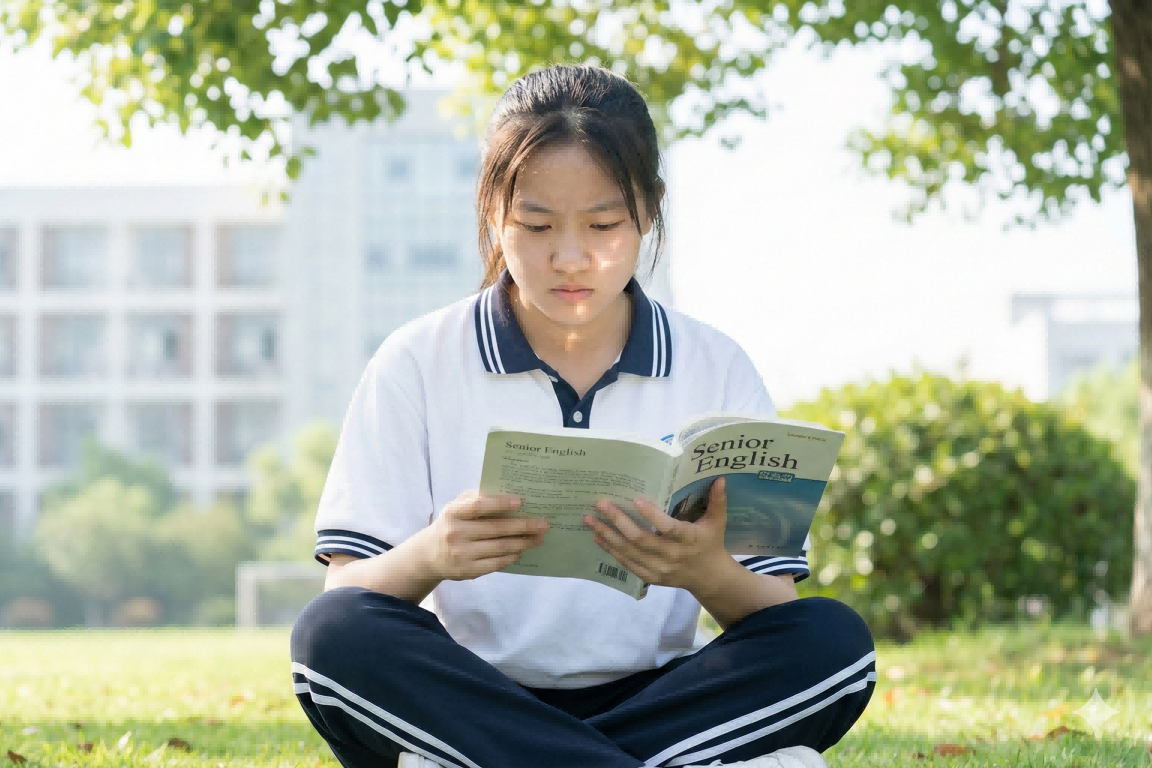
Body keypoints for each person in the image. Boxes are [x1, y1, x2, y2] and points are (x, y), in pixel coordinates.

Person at [291, 64, 875, 768]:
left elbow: (772, 606)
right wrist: (432, 555)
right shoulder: (415, 361)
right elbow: (347, 589)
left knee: (834, 644)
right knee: (332, 637)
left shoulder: (717, 366)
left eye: (603, 225)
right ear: (491, 212)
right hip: (470, 693)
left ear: (650, 211)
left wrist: (701, 570)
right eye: (535, 225)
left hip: (659, 698)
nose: (570, 259)